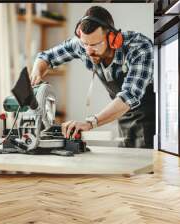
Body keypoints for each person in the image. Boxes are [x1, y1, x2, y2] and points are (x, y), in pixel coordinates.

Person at [30, 6, 155, 148]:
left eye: (95, 45)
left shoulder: (139, 47)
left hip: (150, 117)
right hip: (121, 115)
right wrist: (36, 74)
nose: (88, 51)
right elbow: (45, 57)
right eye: (85, 44)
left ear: (113, 39)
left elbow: (129, 96)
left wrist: (90, 123)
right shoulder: (84, 45)